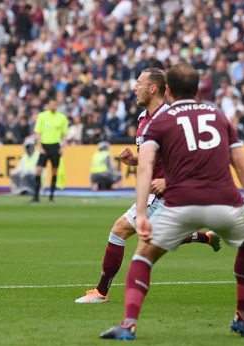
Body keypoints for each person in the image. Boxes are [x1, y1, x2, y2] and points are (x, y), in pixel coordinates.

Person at [100, 63, 244, 340]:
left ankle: (128, 325)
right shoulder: (219, 116)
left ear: (167, 90)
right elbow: (243, 168)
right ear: (198, 90)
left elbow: (146, 168)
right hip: (226, 202)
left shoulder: (160, 120)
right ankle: (243, 315)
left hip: (179, 204)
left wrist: (144, 214)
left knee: (143, 255)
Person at [75, 68, 221, 304]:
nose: (134, 87)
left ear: (153, 88)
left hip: (171, 194)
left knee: (121, 231)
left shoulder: (173, 120)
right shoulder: (143, 119)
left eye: (139, 83)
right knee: (154, 234)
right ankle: (205, 237)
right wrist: (133, 159)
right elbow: (152, 158)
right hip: (155, 196)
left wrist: (168, 181)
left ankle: (103, 294)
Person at [32, 97, 68, 203]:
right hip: (44, 146)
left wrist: (63, 147)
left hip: (55, 146)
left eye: (55, 105)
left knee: (55, 171)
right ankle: (36, 196)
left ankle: (51, 196)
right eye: (51, 104)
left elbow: (64, 134)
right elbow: (38, 132)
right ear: (48, 105)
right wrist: (39, 146)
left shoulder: (61, 118)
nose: (53, 106)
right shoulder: (42, 116)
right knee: (38, 170)